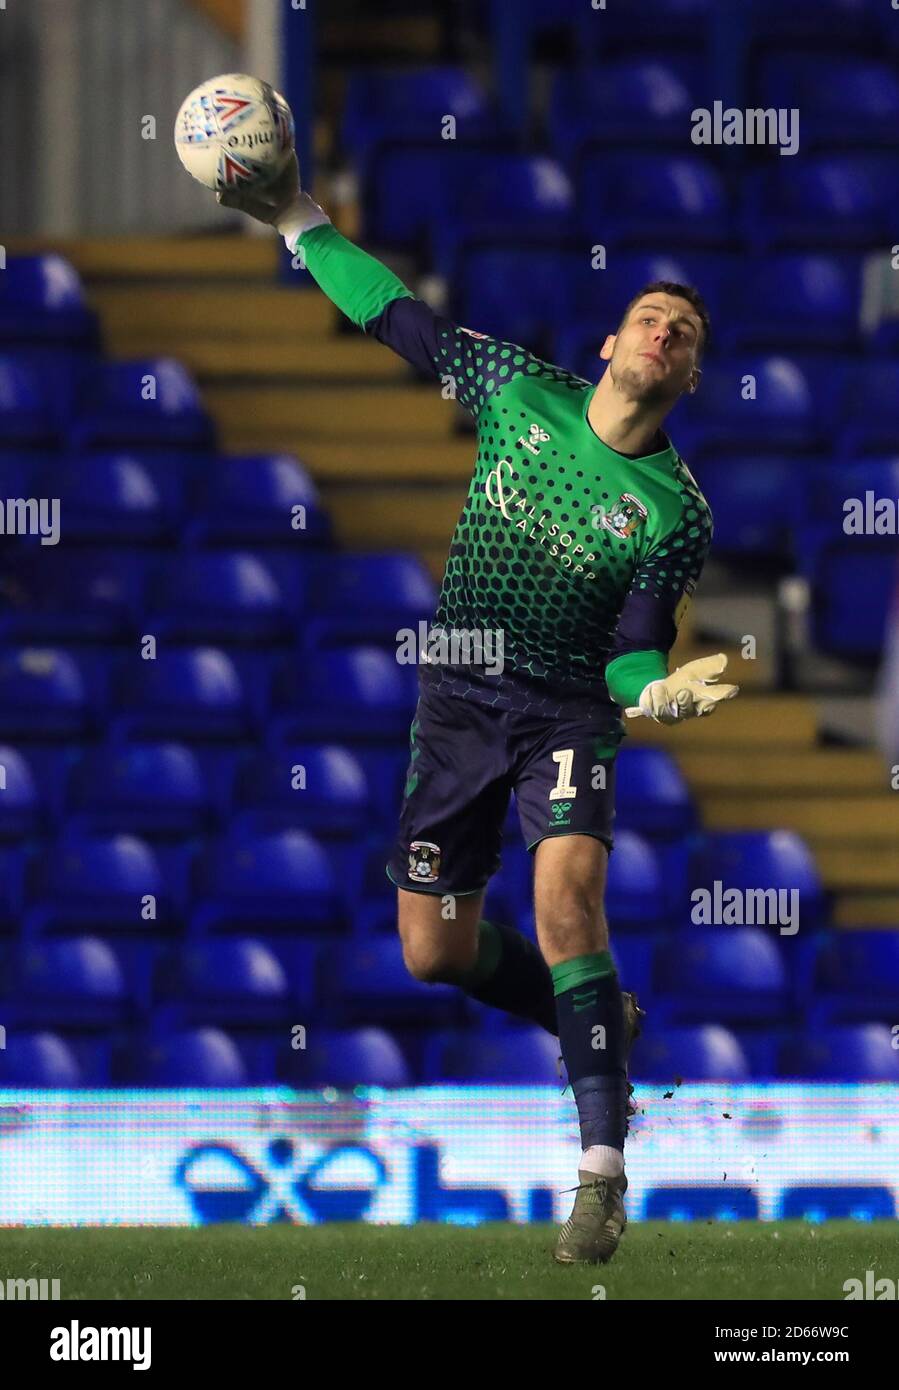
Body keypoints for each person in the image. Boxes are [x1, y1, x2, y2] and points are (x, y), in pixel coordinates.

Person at [218, 155, 739, 1263]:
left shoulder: (672, 510)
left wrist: (650, 688)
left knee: (567, 903)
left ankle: (598, 1172)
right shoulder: (515, 389)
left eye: (683, 332)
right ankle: (589, 1016)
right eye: (648, 316)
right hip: (456, 698)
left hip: (564, 711)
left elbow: (629, 649)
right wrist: (297, 217)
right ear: (607, 343)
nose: (663, 331)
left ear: (688, 379)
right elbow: (394, 316)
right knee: (432, 953)